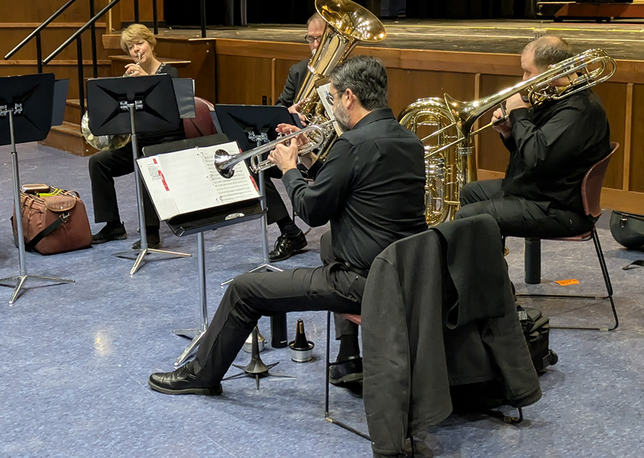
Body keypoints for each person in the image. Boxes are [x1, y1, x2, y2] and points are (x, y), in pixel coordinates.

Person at [148, 55, 428, 396]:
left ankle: (202, 375)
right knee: (328, 245)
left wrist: (289, 168)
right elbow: (347, 186)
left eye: (336, 97)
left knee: (244, 289)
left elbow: (311, 212)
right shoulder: (407, 139)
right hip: (405, 269)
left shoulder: (352, 144)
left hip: (362, 281)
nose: (334, 105)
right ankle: (349, 355)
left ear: (350, 97)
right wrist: (309, 157)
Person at [455, 35, 612, 238]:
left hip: (559, 208)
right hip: (538, 191)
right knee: (470, 193)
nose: (523, 79)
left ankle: (484, 269)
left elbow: (537, 156)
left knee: (468, 217)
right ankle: (486, 265)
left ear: (551, 71)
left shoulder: (579, 109)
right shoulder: (555, 96)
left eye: (528, 72)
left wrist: (519, 114)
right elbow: (530, 153)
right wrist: (510, 133)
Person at [88, 24, 184, 250]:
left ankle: (151, 232)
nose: (136, 50)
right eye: (130, 47)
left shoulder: (170, 73)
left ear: (151, 44)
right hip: (141, 140)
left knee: (144, 162)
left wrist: (145, 81)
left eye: (139, 44)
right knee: (98, 162)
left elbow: (171, 113)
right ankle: (112, 224)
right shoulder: (130, 77)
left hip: (168, 140)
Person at [260, 12, 328, 262]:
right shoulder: (299, 71)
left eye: (320, 39)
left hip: (336, 151)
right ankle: (289, 231)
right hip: (303, 149)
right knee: (256, 166)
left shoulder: (350, 72)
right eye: (310, 39)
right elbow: (278, 110)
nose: (315, 45)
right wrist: (289, 115)